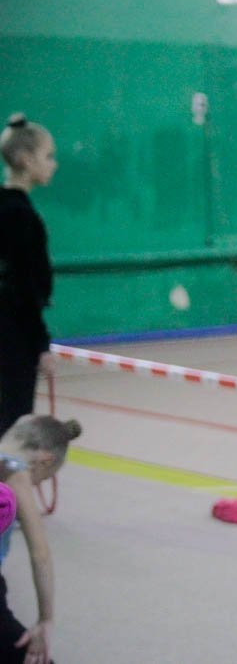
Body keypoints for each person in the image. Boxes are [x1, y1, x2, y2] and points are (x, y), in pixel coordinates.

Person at [0, 414, 80, 664]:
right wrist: (46, 619)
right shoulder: (15, 473)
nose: (35, 485)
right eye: (42, 479)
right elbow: (40, 554)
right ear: (45, 461)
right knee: (31, 657)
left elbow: (24, 419)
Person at [0, 114, 58, 438]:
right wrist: (41, 345)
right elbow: (23, 290)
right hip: (12, 341)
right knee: (13, 431)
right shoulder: (22, 217)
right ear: (25, 159)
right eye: (48, 157)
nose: (53, 165)